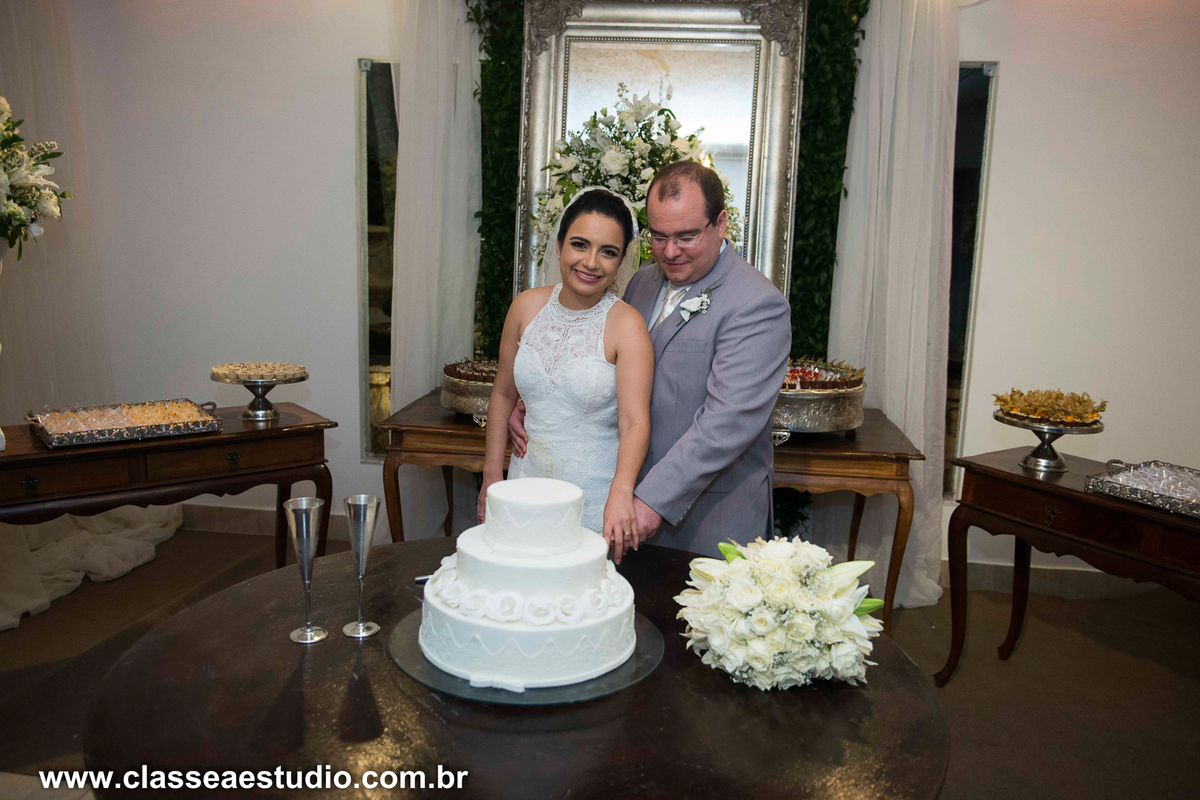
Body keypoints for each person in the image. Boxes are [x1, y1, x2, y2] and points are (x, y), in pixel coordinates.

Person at [511, 161, 791, 561]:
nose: (670, 252)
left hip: (705, 517)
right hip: (623, 502)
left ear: (721, 224)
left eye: (686, 237)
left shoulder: (758, 304)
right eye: (659, 237)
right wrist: (539, 398)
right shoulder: (643, 280)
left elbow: (726, 423)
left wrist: (651, 500)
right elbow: (607, 362)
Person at [479, 187, 654, 552]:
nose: (591, 263)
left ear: (621, 261)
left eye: (608, 252)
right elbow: (502, 394)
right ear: (559, 246)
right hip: (522, 485)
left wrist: (621, 495)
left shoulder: (627, 325)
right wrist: (492, 477)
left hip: (590, 499)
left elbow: (635, 423)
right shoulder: (525, 307)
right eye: (579, 244)